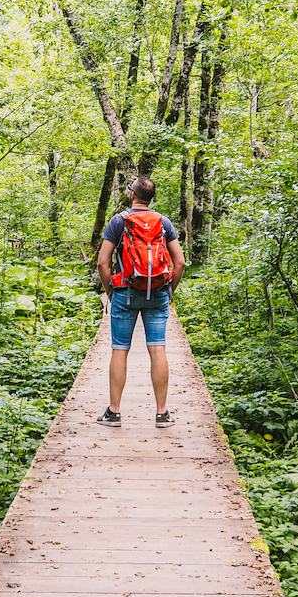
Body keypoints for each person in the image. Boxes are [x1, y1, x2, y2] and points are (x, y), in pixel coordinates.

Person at [95, 175, 185, 428]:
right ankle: (162, 413)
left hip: (125, 291)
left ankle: (114, 413)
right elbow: (180, 262)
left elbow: (103, 262)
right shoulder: (163, 222)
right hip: (157, 292)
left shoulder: (119, 221)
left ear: (132, 195)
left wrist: (111, 290)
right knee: (157, 349)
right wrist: (169, 290)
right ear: (151, 198)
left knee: (120, 349)